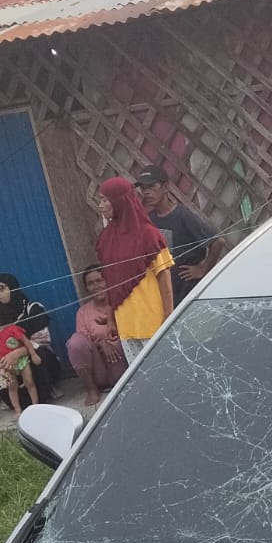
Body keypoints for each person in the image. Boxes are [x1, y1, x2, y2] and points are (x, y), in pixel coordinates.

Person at [95, 177, 174, 362]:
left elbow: (164, 276)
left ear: (119, 201)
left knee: (163, 376)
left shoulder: (149, 235)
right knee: (141, 381)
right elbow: (111, 282)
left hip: (154, 323)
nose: (101, 205)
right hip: (126, 326)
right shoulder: (106, 238)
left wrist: (170, 318)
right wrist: (111, 318)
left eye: (104, 200)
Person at [134, 162, 226, 308]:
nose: (146, 192)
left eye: (152, 187)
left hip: (188, 291)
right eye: (143, 189)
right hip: (166, 291)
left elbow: (217, 242)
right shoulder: (149, 219)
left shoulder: (182, 216)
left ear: (165, 187)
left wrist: (203, 268)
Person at [0, 274, 61, 400]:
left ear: (12, 288)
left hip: (33, 356)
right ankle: (17, 403)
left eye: (1, 288)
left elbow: (42, 341)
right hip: (9, 364)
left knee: (41, 357)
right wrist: (1, 363)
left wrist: (17, 353)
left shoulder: (32, 309)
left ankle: (47, 390)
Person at [67, 266, 126, 407]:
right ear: (86, 288)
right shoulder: (83, 312)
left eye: (100, 280)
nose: (96, 286)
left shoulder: (122, 304)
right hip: (98, 368)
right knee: (75, 342)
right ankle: (91, 389)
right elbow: (83, 341)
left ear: (108, 281)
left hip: (121, 365)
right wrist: (102, 344)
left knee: (118, 342)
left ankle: (122, 383)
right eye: (90, 283)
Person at [0, 301, 42, 417]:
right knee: (12, 386)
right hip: (6, 364)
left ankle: (35, 405)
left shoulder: (12, 329)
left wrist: (33, 355)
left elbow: (26, 342)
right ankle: (17, 410)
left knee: (29, 382)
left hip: (22, 360)